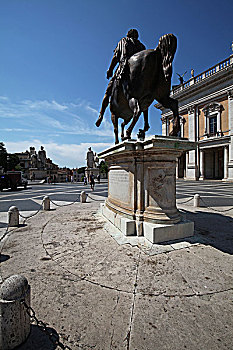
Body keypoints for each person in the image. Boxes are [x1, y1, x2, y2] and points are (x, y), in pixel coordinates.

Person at [96, 29, 145, 127]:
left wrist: (110, 70)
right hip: (139, 74)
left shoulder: (123, 41)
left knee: (107, 93)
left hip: (123, 69)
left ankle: (101, 115)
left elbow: (115, 56)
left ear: (128, 34)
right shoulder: (142, 46)